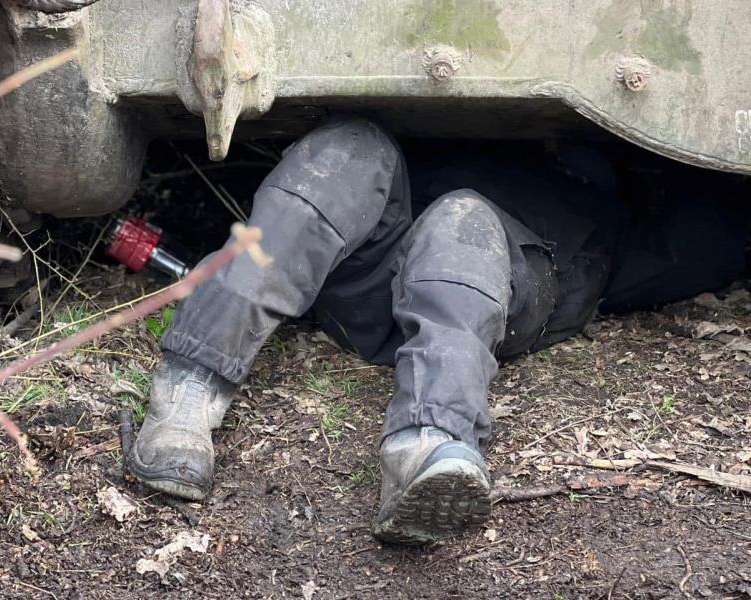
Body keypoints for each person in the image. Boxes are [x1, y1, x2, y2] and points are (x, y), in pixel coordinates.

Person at [128, 118, 746, 545]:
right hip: (378, 266)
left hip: (497, 281)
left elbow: (707, 239)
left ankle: (428, 445)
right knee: (350, 149)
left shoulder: (616, 217)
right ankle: (187, 392)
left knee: (462, 219)